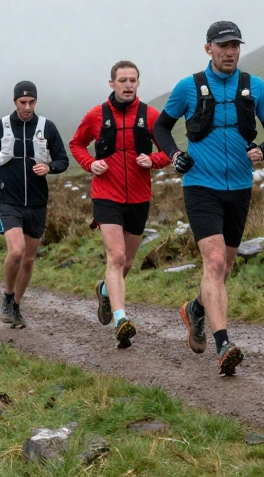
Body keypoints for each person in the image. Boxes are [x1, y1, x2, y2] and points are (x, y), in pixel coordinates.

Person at [153, 21, 264, 375]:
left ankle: (195, 310)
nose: (230, 52)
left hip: (239, 187)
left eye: (235, 46)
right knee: (212, 263)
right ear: (208, 48)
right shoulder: (188, 87)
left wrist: (263, 150)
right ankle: (224, 343)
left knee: (225, 267)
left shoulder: (255, 87)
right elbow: (160, 127)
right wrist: (175, 155)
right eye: (223, 46)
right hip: (201, 186)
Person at [70, 60, 173, 348]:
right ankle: (121, 319)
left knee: (127, 262)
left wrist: (152, 161)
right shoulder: (96, 115)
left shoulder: (151, 115)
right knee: (115, 257)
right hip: (106, 196)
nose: (128, 85)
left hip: (139, 198)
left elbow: (169, 149)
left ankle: (105, 290)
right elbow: (76, 144)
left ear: (138, 83)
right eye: (123, 80)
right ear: (111, 83)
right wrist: (91, 164)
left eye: (133, 80)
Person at [0, 81, 70, 328]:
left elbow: (64, 159)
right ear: (15, 102)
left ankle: (16, 305)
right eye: (22, 103)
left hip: (38, 202)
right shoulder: (1, 126)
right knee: (16, 251)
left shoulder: (46, 127)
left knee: (28, 260)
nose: (27, 107)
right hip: (9, 199)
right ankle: (7, 296)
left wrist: (50, 167)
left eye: (31, 103)